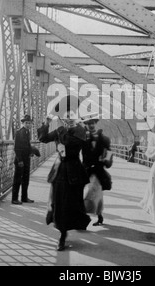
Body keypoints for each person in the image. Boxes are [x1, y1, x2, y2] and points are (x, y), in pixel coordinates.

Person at [37, 95, 91, 251]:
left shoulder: (80, 130)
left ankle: (70, 228)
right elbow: (43, 138)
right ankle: (62, 234)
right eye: (64, 115)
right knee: (58, 202)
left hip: (74, 170)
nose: (67, 118)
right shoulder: (61, 129)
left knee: (71, 203)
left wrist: (61, 131)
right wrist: (46, 123)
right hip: (60, 170)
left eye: (70, 115)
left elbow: (72, 144)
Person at [82, 115, 112, 226]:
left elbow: (109, 152)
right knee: (96, 193)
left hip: (99, 170)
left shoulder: (103, 139)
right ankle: (99, 216)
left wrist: (106, 161)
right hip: (87, 169)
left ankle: (85, 217)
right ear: (86, 125)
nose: (90, 125)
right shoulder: (83, 138)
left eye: (92, 123)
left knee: (92, 191)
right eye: (88, 123)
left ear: (95, 124)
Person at [12, 114, 35, 205]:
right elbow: (17, 148)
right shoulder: (19, 132)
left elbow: (27, 145)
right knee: (17, 179)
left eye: (30, 123)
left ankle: (24, 197)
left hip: (26, 159)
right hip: (20, 160)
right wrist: (20, 160)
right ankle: (14, 199)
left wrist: (30, 152)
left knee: (26, 179)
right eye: (26, 123)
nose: (28, 124)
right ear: (23, 123)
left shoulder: (27, 132)